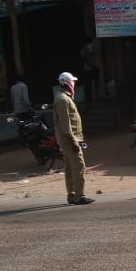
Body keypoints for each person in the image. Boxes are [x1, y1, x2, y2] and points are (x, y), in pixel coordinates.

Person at [52, 71, 94, 206]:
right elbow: (65, 125)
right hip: (70, 140)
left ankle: (71, 195)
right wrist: (73, 140)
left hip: (68, 139)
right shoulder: (63, 99)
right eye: (72, 82)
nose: (74, 84)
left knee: (70, 168)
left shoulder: (63, 97)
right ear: (67, 83)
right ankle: (79, 196)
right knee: (79, 166)